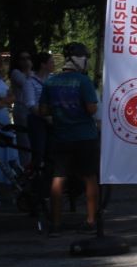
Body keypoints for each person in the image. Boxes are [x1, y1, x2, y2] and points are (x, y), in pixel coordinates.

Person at [40, 43, 98, 235]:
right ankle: (90, 221)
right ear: (79, 59)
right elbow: (91, 109)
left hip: (60, 136)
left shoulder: (50, 81)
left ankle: (56, 224)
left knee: (58, 179)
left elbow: (43, 110)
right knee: (90, 177)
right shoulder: (83, 81)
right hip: (84, 137)